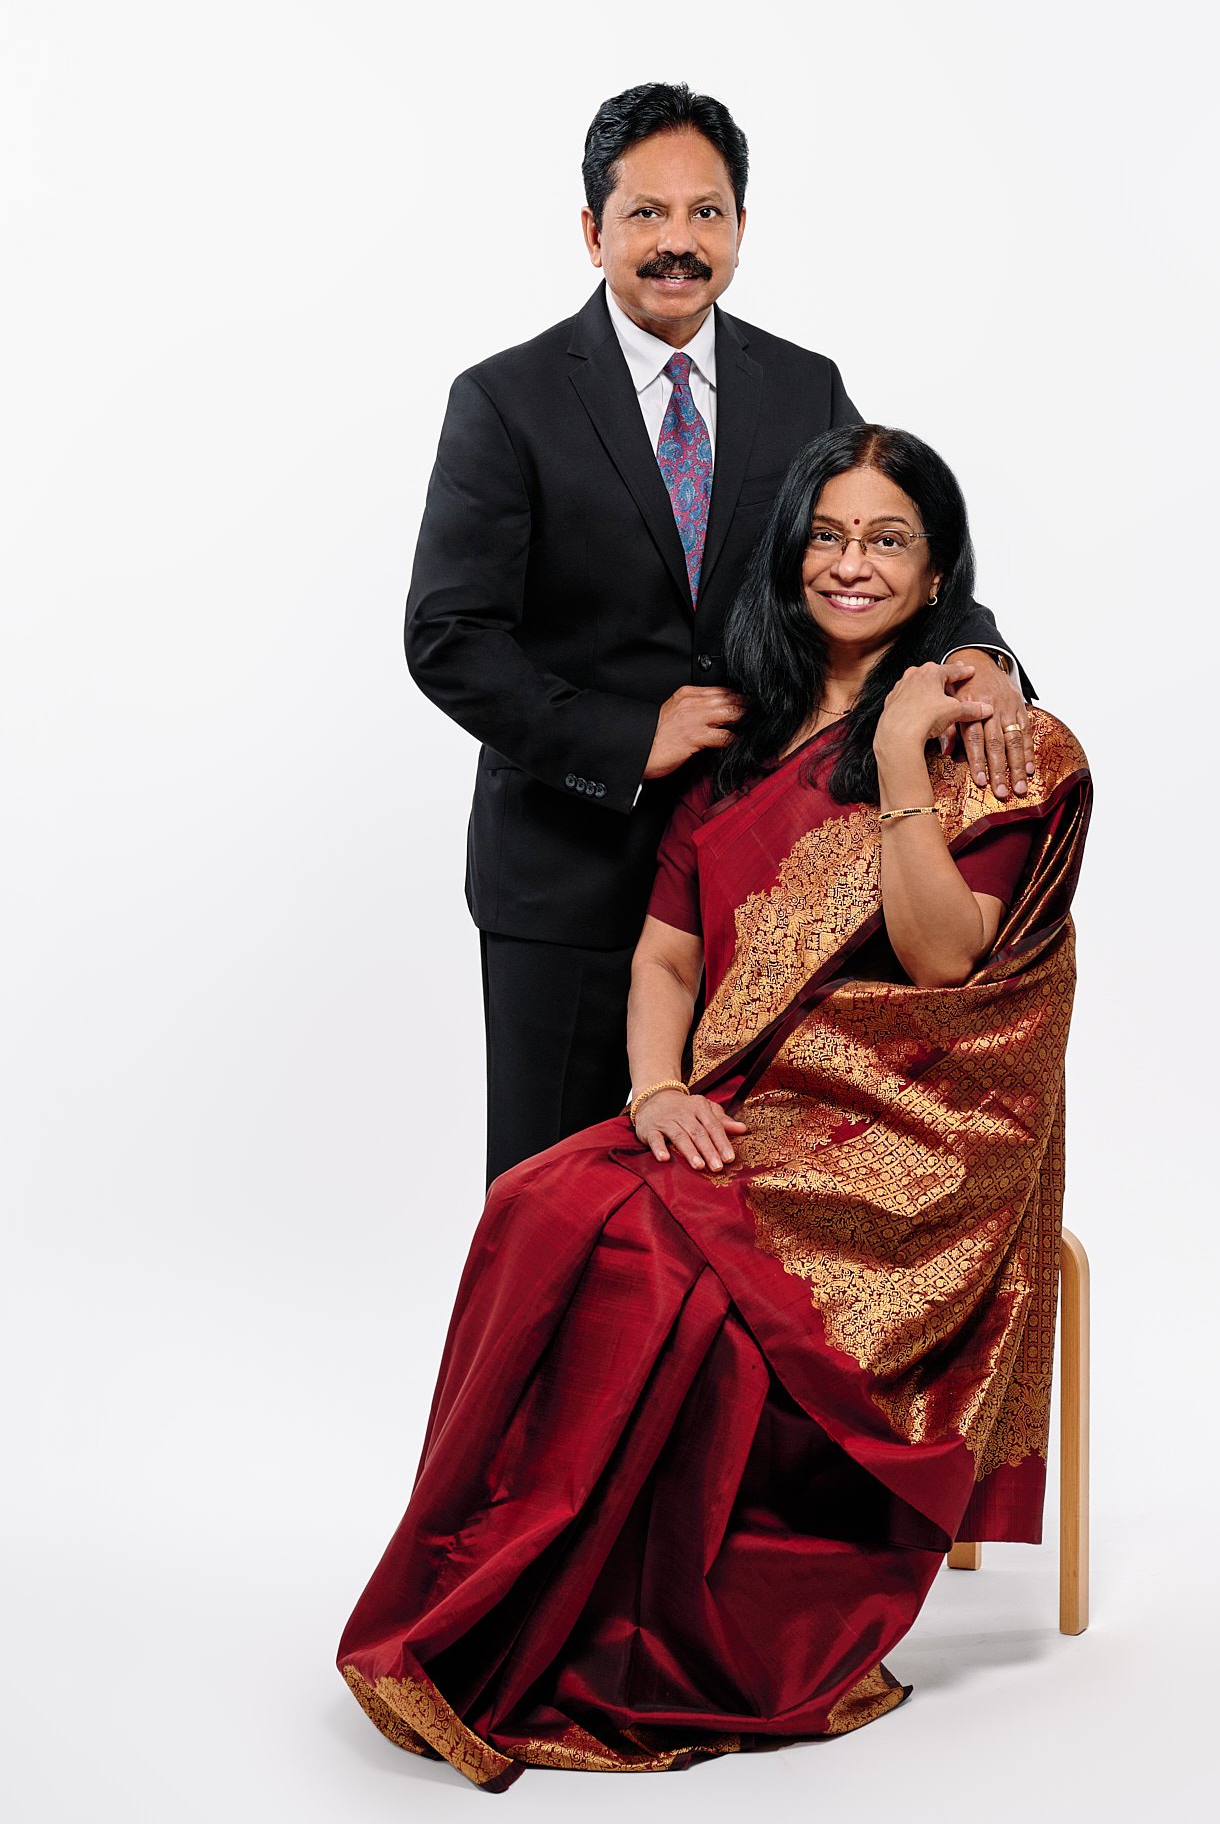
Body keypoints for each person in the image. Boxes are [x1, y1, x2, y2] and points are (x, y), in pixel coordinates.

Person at [338, 425, 1091, 1790]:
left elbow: (941, 959)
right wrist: (660, 1083)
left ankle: (633, 1632)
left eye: (887, 539)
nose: (851, 562)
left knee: (645, 1248)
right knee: (542, 1196)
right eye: (829, 533)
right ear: (793, 549)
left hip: (919, 1130)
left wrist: (909, 764)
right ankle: (487, 1594)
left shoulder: (994, 736)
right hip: (752, 1096)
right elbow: (669, 953)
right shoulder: (744, 737)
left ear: (936, 575)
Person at [403, 82, 1036, 1183]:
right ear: (593, 231)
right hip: (567, 879)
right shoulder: (505, 402)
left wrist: (979, 650)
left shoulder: (802, 386)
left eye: (707, 213)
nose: (678, 243)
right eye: (646, 214)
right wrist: (624, 738)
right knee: (556, 1202)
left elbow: (876, 544)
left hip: (765, 878)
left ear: (742, 228)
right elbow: (448, 635)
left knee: (734, 1217)